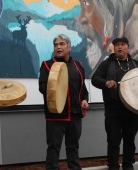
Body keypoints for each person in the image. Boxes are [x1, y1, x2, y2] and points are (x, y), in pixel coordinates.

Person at [39, 34, 89, 170]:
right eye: (56, 45)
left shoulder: (78, 66)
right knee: (54, 148)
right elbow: (42, 87)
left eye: (62, 44)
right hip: (55, 115)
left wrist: (84, 99)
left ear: (69, 47)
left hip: (75, 114)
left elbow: (83, 89)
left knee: (73, 148)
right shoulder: (46, 65)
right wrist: (55, 87)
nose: (58, 47)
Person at [91, 36, 138, 170]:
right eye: (117, 45)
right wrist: (106, 82)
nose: (119, 47)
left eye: (123, 44)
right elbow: (95, 79)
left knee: (129, 140)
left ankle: (128, 165)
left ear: (128, 47)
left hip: (132, 108)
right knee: (113, 140)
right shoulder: (106, 63)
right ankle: (113, 166)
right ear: (113, 48)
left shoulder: (136, 64)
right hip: (113, 108)